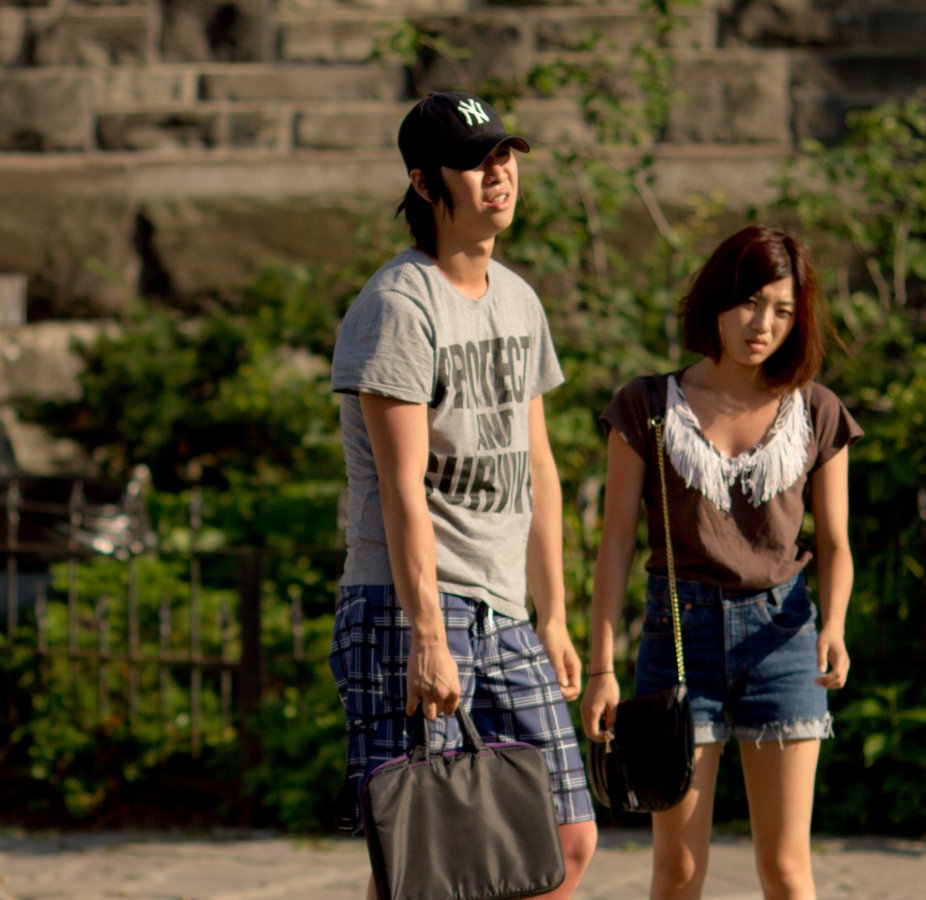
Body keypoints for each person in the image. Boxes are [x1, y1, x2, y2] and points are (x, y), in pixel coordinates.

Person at [328, 90, 596, 899]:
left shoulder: (517, 298)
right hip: (409, 608)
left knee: (567, 838)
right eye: (476, 164)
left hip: (504, 609)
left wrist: (552, 613)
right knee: (424, 860)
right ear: (423, 182)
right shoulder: (398, 306)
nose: (499, 175)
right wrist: (428, 636)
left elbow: (537, 466)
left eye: (504, 157)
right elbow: (401, 488)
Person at [581, 224, 861, 899]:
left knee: (787, 872)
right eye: (750, 302)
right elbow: (616, 542)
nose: (763, 325)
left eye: (783, 310)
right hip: (678, 637)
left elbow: (834, 544)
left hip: (783, 639)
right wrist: (600, 667)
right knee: (677, 870)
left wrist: (835, 625)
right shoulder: (648, 407)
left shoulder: (816, 409)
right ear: (716, 300)